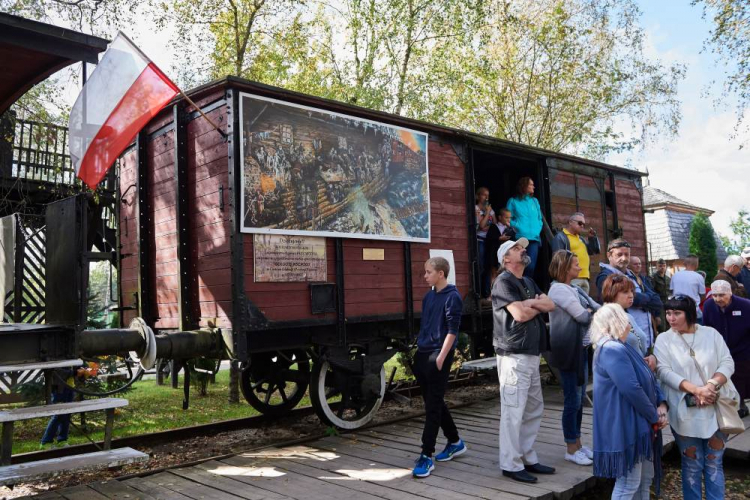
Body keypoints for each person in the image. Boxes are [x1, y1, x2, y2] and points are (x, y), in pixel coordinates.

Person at [653, 295, 739, 500]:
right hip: (684, 409)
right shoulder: (664, 339)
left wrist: (710, 385)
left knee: (713, 461)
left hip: (715, 405)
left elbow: (727, 362)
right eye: (668, 313)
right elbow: (663, 371)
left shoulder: (711, 334)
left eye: (677, 313)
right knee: (692, 462)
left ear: (690, 314)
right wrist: (696, 390)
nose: (671, 318)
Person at [492, 237, 556, 483]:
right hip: (514, 354)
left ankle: (527, 456)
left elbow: (550, 304)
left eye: (522, 247)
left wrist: (532, 304)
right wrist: (532, 305)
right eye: (517, 248)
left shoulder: (528, 280)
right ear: (506, 258)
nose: (523, 250)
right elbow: (518, 314)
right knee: (513, 410)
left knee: (532, 407)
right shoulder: (503, 282)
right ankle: (510, 463)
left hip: (530, 352)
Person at [590, 303, 668, 499]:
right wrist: (653, 416)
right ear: (616, 323)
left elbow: (646, 379)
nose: (629, 327)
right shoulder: (612, 349)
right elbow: (631, 388)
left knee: (643, 479)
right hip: (626, 423)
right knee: (628, 483)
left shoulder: (620, 346)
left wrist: (659, 407)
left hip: (635, 421)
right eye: (627, 323)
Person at [412, 257, 466, 478]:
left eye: (428, 272)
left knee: (432, 406)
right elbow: (426, 325)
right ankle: (454, 441)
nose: (425, 275)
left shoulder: (453, 297)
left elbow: (453, 330)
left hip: (438, 355)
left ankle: (426, 455)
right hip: (423, 354)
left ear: (441, 273)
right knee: (434, 401)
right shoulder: (428, 296)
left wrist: (442, 357)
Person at [547, 250, 600, 466]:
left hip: (580, 348)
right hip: (568, 349)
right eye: (576, 264)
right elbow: (582, 316)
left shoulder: (574, 288)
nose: (579, 268)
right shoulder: (558, 290)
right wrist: (589, 312)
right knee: (572, 400)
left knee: (578, 400)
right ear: (565, 267)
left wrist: (590, 311)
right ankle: (570, 447)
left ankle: (577, 443)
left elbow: (596, 309)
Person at [596, 239, 663, 349]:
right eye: (619, 254)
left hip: (646, 340)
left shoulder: (634, 276)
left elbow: (657, 301)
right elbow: (620, 299)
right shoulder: (605, 277)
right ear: (609, 255)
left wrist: (641, 300)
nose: (624, 258)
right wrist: (646, 299)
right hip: (625, 341)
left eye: (627, 254)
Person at [703, 280, 750, 418]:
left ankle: (740, 403)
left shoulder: (745, 306)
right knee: (722, 376)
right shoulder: (708, 306)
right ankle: (729, 404)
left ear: (730, 293)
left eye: (722, 295)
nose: (718, 299)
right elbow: (706, 328)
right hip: (720, 348)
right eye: (715, 295)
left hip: (742, 348)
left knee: (740, 377)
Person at [600, 275, 657, 370]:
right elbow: (608, 357)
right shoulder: (604, 318)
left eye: (632, 291)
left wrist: (650, 358)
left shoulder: (628, 316)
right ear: (612, 293)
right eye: (625, 292)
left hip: (640, 372)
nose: (631, 295)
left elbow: (639, 345)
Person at [550, 212, 600, 294]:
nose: (582, 226)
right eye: (580, 223)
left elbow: (592, 251)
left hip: (585, 278)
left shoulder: (581, 239)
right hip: (572, 279)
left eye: (583, 224)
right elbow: (558, 260)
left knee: (582, 305)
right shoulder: (561, 237)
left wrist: (592, 239)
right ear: (570, 222)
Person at [506, 177, 543, 278]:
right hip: (520, 238)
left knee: (530, 267)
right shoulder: (513, 201)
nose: (533, 187)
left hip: (534, 238)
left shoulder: (535, 201)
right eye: (531, 184)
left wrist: (538, 229)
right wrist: (518, 227)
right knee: (519, 265)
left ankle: (526, 289)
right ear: (524, 186)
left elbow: (539, 219)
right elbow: (507, 218)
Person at [40, 367, 77, 449]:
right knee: (58, 415)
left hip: (69, 387)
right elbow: (55, 370)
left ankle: (62, 440)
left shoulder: (70, 355)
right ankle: (46, 442)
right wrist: (74, 372)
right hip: (59, 389)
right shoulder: (58, 355)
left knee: (66, 416)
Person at [670, 255, 706, 325]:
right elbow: (703, 295)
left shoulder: (675, 275)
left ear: (684, 264)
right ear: (697, 264)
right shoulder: (699, 277)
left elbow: (672, 292)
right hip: (693, 310)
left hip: (677, 309)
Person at [485, 208, 516, 286]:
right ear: (500, 217)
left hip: (505, 255)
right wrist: (499, 238)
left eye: (510, 218)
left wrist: (510, 229)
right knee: (493, 273)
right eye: (506, 217)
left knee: (503, 273)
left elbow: (513, 240)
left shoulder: (510, 229)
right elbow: (489, 238)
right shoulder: (494, 227)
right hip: (494, 253)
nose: (508, 219)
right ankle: (491, 294)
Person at [475, 187, 496, 298]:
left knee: (489, 267)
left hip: (490, 241)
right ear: (478, 196)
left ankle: (487, 293)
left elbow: (494, 226)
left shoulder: (491, 210)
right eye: (484, 195)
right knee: (481, 267)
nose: (486, 197)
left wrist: (489, 213)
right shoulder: (476, 208)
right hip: (480, 241)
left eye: (488, 195)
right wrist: (487, 213)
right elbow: (482, 226)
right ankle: (478, 293)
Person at [651, 258, 670, 333]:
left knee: (669, 323)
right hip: (659, 304)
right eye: (660, 266)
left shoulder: (668, 278)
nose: (662, 267)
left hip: (667, 303)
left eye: (664, 266)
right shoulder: (653, 278)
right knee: (662, 326)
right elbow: (652, 292)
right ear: (656, 267)